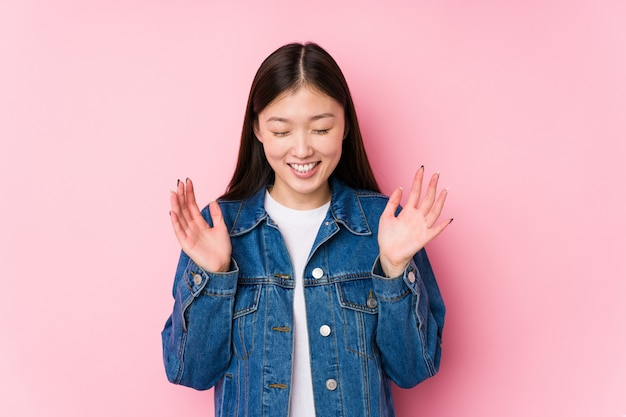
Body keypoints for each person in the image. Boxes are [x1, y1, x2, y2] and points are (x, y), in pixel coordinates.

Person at [162, 42, 451, 417]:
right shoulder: (218, 228)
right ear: (258, 129)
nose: (301, 150)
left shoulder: (386, 226)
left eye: (320, 128)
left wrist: (394, 270)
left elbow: (413, 370)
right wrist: (215, 276)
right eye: (282, 131)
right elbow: (190, 371)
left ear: (345, 125)